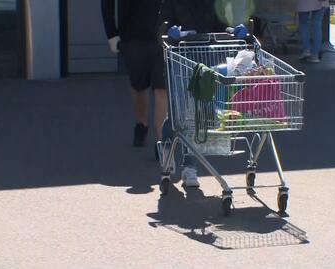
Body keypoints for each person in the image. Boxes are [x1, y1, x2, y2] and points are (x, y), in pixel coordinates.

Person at [160, 0, 248, 187]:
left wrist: (233, 31)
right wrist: (169, 31)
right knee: (178, 114)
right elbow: (162, 24)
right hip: (179, 59)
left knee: (195, 114)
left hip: (206, 59)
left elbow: (222, 24)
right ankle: (167, 149)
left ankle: (189, 167)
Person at [101, 0, 168, 151]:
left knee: (161, 88)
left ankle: (162, 142)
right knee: (138, 85)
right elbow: (107, 3)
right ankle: (141, 124)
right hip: (132, 35)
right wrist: (111, 33)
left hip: (162, 35)